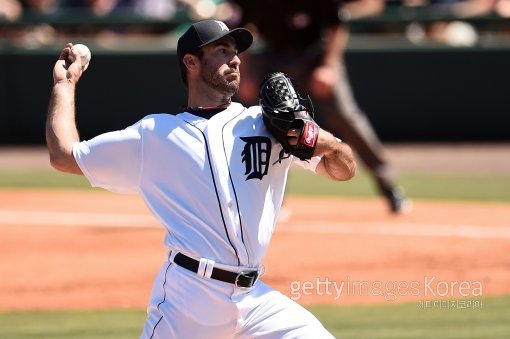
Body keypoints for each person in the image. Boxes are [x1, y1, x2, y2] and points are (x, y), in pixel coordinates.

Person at [46, 20, 356, 338]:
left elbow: (342, 170)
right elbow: (64, 155)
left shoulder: (264, 124)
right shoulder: (154, 134)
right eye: (222, 51)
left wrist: (327, 142)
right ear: (191, 62)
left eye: (235, 52)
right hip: (189, 301)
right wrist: (64, 85)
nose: (235, 59)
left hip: (255, 301)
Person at [229, 0, 411, 213]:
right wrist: (247, 72)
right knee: (264, 124)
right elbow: (242, 30)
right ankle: (274, 202)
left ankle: (389, 187)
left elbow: (337, 25)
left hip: (315, 55)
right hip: (274, 57)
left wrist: (328, 66)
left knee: (345, 116)